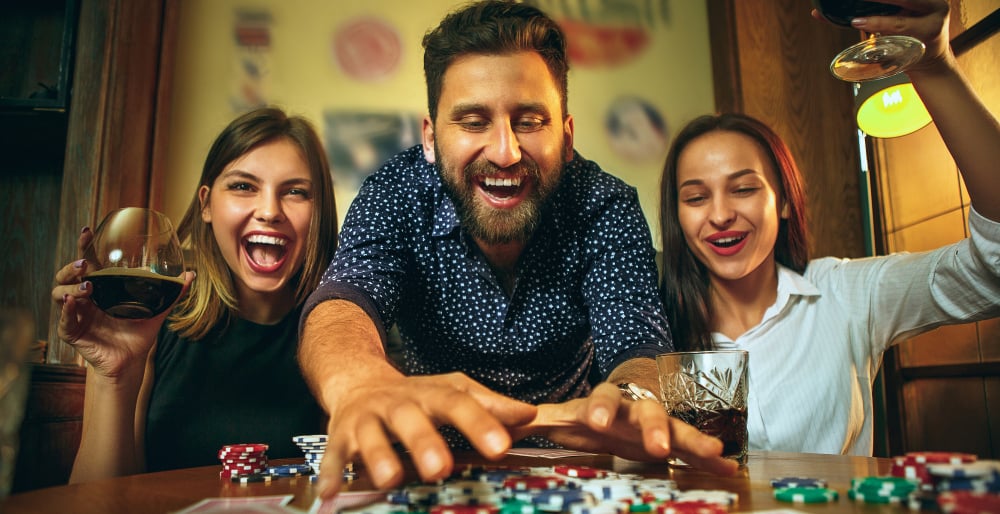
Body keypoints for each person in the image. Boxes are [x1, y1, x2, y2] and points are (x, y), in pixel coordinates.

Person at [299, 0, 737, 498]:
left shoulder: (605, 205)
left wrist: (628, 401)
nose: (505, 152)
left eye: (529, 121)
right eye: (472, 121)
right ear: (430, 137)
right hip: (431, 470)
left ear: (567, 136)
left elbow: (637, 346)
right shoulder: (393, 194)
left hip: (576, 472)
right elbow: (343, 304)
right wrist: (359, 384)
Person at [657, 0, 1000, 457]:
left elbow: (991, 269)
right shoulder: (652, 331)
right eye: (696, 198)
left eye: (743, 189)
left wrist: (935, 64)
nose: (720, 214)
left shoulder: (844, 294)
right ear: (677, 217)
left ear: (782, 201)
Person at [52, 107, 338, 482]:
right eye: (243, 186)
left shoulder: (338, 332)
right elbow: (97, 503)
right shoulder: (150, 321)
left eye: (296, 192)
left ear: (320, 213)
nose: (270, 211)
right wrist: (114, 376)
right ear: (206, 204)